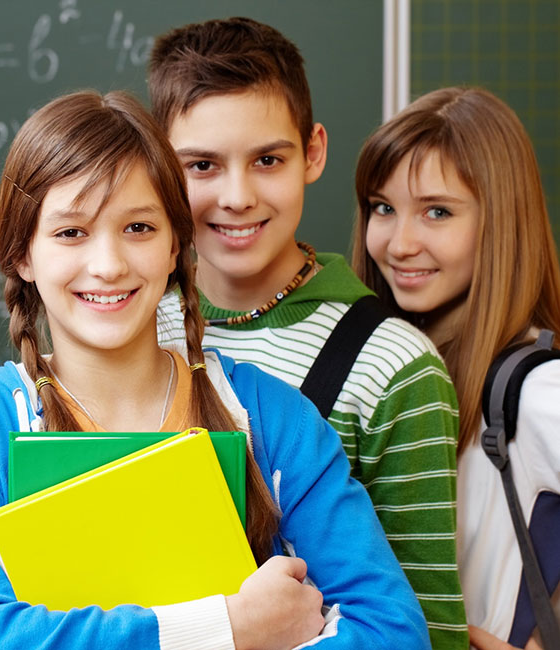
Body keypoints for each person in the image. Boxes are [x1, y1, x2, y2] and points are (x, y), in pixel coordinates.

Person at [0, 88, 431, 650]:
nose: (108, 265)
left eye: (139, 228)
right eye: (71, 232)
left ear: (177, 245)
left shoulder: (272, 418)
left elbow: (391, 630)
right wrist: (230, 629)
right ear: (23, 254)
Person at [148, 16, 467, 648]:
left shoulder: (394, 365)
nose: (237, 196)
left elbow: (425, 625)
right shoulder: (124, 325)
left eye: (268, 159)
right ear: (159, 165)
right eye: (202, 165)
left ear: (313, 152)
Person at [353, 85, 560, 650]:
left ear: (501, 220)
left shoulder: (535, 388)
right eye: (383, 208)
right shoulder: (388, 371)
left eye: (437, 212)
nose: (400, 242)